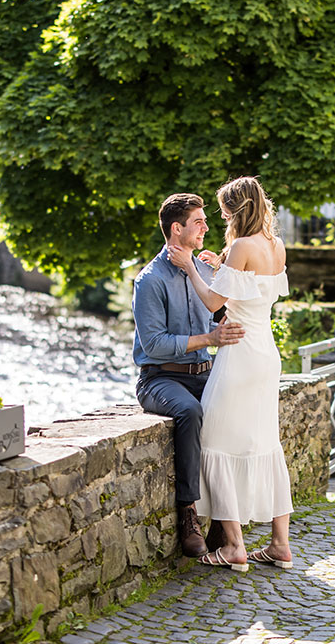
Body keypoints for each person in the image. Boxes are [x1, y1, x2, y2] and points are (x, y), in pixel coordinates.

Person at [168, 176, 294, 572]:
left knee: (214, 439)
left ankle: (234, 546)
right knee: (265, 443)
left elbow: (213, 302)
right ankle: (279, 544)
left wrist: (190, 267)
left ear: (236, 210)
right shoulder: (274, 245)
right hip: (266, 353)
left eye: (223, 212)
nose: (220, 219)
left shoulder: (240, 245)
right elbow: (254, 287)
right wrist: (220, 266)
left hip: (238, 355)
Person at [132, 193, 245, 558]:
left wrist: (226, 322)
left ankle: (223, 520)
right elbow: (155, 344)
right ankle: (187, 514)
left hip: (204, 371)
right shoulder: (149, 280)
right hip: (161, 378)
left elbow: (218, 312)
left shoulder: (205, 270)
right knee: (191, 412)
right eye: (199, 222)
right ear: (176, 229)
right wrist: (210, 339)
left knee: (233, 412)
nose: (206, 228)